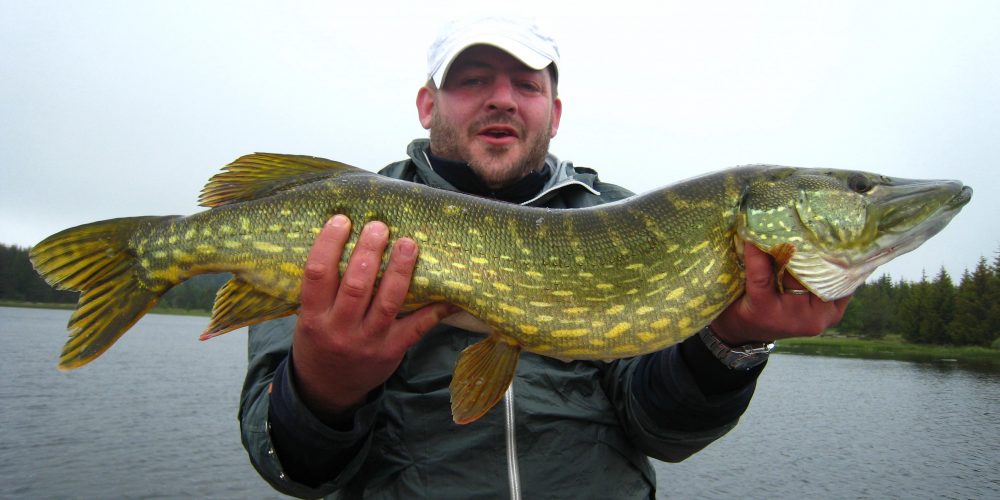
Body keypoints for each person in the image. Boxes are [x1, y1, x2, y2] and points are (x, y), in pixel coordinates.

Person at [240, 17, 850, 499]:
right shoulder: (349, 222)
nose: (502, 99)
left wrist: (731, 342)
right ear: (428, 105)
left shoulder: (625, 224)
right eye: (473, 79)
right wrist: (322, 389)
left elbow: (662, 430)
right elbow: (293, 470)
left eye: (527, 84)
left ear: (554, 113)